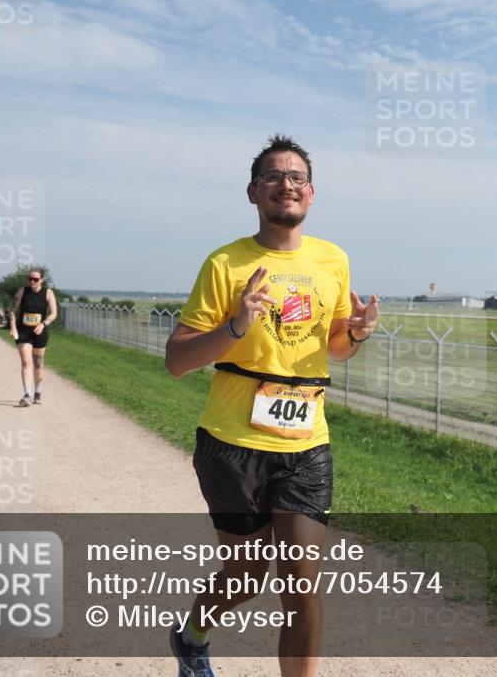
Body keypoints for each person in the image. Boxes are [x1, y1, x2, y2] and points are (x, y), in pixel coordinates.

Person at [165, 134, 378, 677]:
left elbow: (334, 347)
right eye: (275, 177)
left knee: (301, 581)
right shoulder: (226, 263)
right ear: (254, 193)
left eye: (298, 177)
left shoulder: (333, 260)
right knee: (246, 572)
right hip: (232, 445)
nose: (288, 184)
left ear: (311, 193)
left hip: (307, 445)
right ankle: (192, 637)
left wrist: (357, 334)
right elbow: (178, 360)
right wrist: (238, 323)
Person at [8, 269, 57, 407]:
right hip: (23, 331)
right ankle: (27, 394)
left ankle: (38, 392)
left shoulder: (48, 293)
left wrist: (43, 324)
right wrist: (13, 326)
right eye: (30, 279)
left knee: (38, 364)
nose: (32, 281)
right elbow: (12, 310)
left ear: (41, 280)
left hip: (39, 331)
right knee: (26, 362)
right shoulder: (22, 291)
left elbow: (54, 314)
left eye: (35, 279)